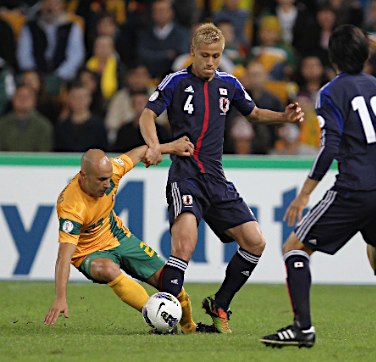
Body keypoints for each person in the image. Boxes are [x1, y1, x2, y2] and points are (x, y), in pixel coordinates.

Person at [260, 24, 376, 350]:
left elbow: (330, 148)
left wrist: (305, 193)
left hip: (354, 189)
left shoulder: (331, 92)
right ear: (366, 55)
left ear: (332, 57)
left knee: (294, 248)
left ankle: (302, 328)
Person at [139, 23, 303, 334]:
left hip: (216, 179)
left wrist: (284, 116)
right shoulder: (175, 81)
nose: (210, 62)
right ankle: (168, 321)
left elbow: (252, 113)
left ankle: (220, 304)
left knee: (255, 242)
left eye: (216, 56)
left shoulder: (229, 84)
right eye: (205, 55)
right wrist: (155, 147)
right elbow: (147, 115)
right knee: (185, 245)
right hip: (185, 176)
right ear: (192, 53)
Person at [44, 140, 216, 334]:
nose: (107, 184)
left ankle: (190, 327)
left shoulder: (112, 171)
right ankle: (158, 319)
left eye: (109, 178)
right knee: (108, 269)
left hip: (118, 237)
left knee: (168, 279)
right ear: (83, 176)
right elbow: (64, 257)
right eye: (101, 180)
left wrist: (171, 147)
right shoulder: (71, 206)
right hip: (88, 253)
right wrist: (60, 298)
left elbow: (140, 151)